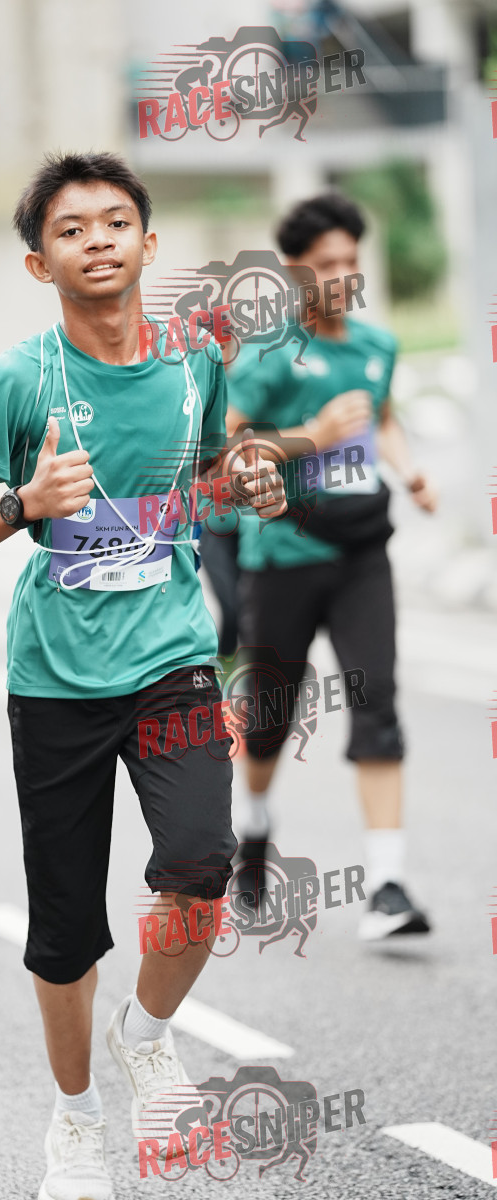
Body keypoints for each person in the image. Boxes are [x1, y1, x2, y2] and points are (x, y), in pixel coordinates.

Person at [0, 151, 285, 1200]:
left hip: (171, 659)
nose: (97, 241)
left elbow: (206, 470)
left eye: (115, 222)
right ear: (40, 264)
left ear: (148, 243)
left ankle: (147, 1034)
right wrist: (22, 505)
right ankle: (74, 1124)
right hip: (57, 679)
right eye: (70, 230)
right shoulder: (14, 382)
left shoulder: (193, 358)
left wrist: (247, 479)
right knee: (67, 926)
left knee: (201, 861)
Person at [224, 191, 436, 941]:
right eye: (326, 264)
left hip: (361, 553)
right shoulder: (268, 354)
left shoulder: (377, 345)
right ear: (293, 272)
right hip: (284, 555)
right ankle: (254, 826)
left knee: (377, 703)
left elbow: (382, 416)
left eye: (351, 260)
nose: (343, 275)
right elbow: (232, 446)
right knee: (269, 724)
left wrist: (409, 470)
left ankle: (387, 886)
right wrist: (312, 434)